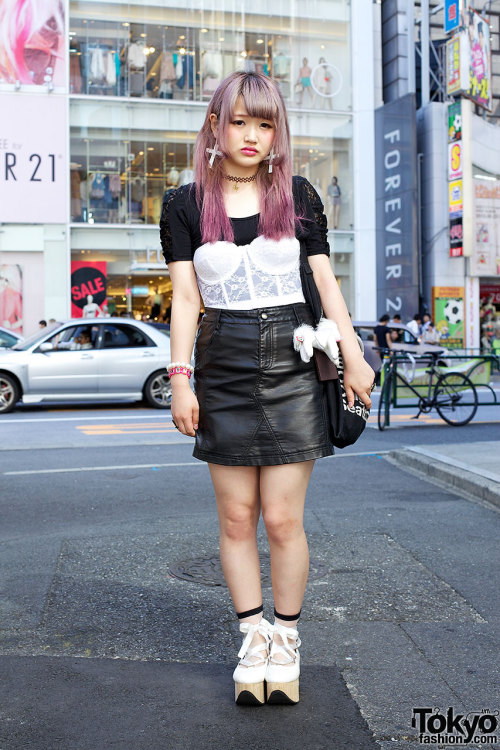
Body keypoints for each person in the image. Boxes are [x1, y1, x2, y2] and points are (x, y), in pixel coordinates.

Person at [160, 71, 374, 707]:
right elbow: (186, 300)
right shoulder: (184, 203)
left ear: (276, 131)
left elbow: (326, 285)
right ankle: (251, 637)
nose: (251, 136)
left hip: (293, 360)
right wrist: (180, 379)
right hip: (221, 362)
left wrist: (355, 354)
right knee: (235, 516)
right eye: (238, 122)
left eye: (264, 123)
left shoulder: (298, 195)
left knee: (281, 519)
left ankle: (287, 638)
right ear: (215, 127)